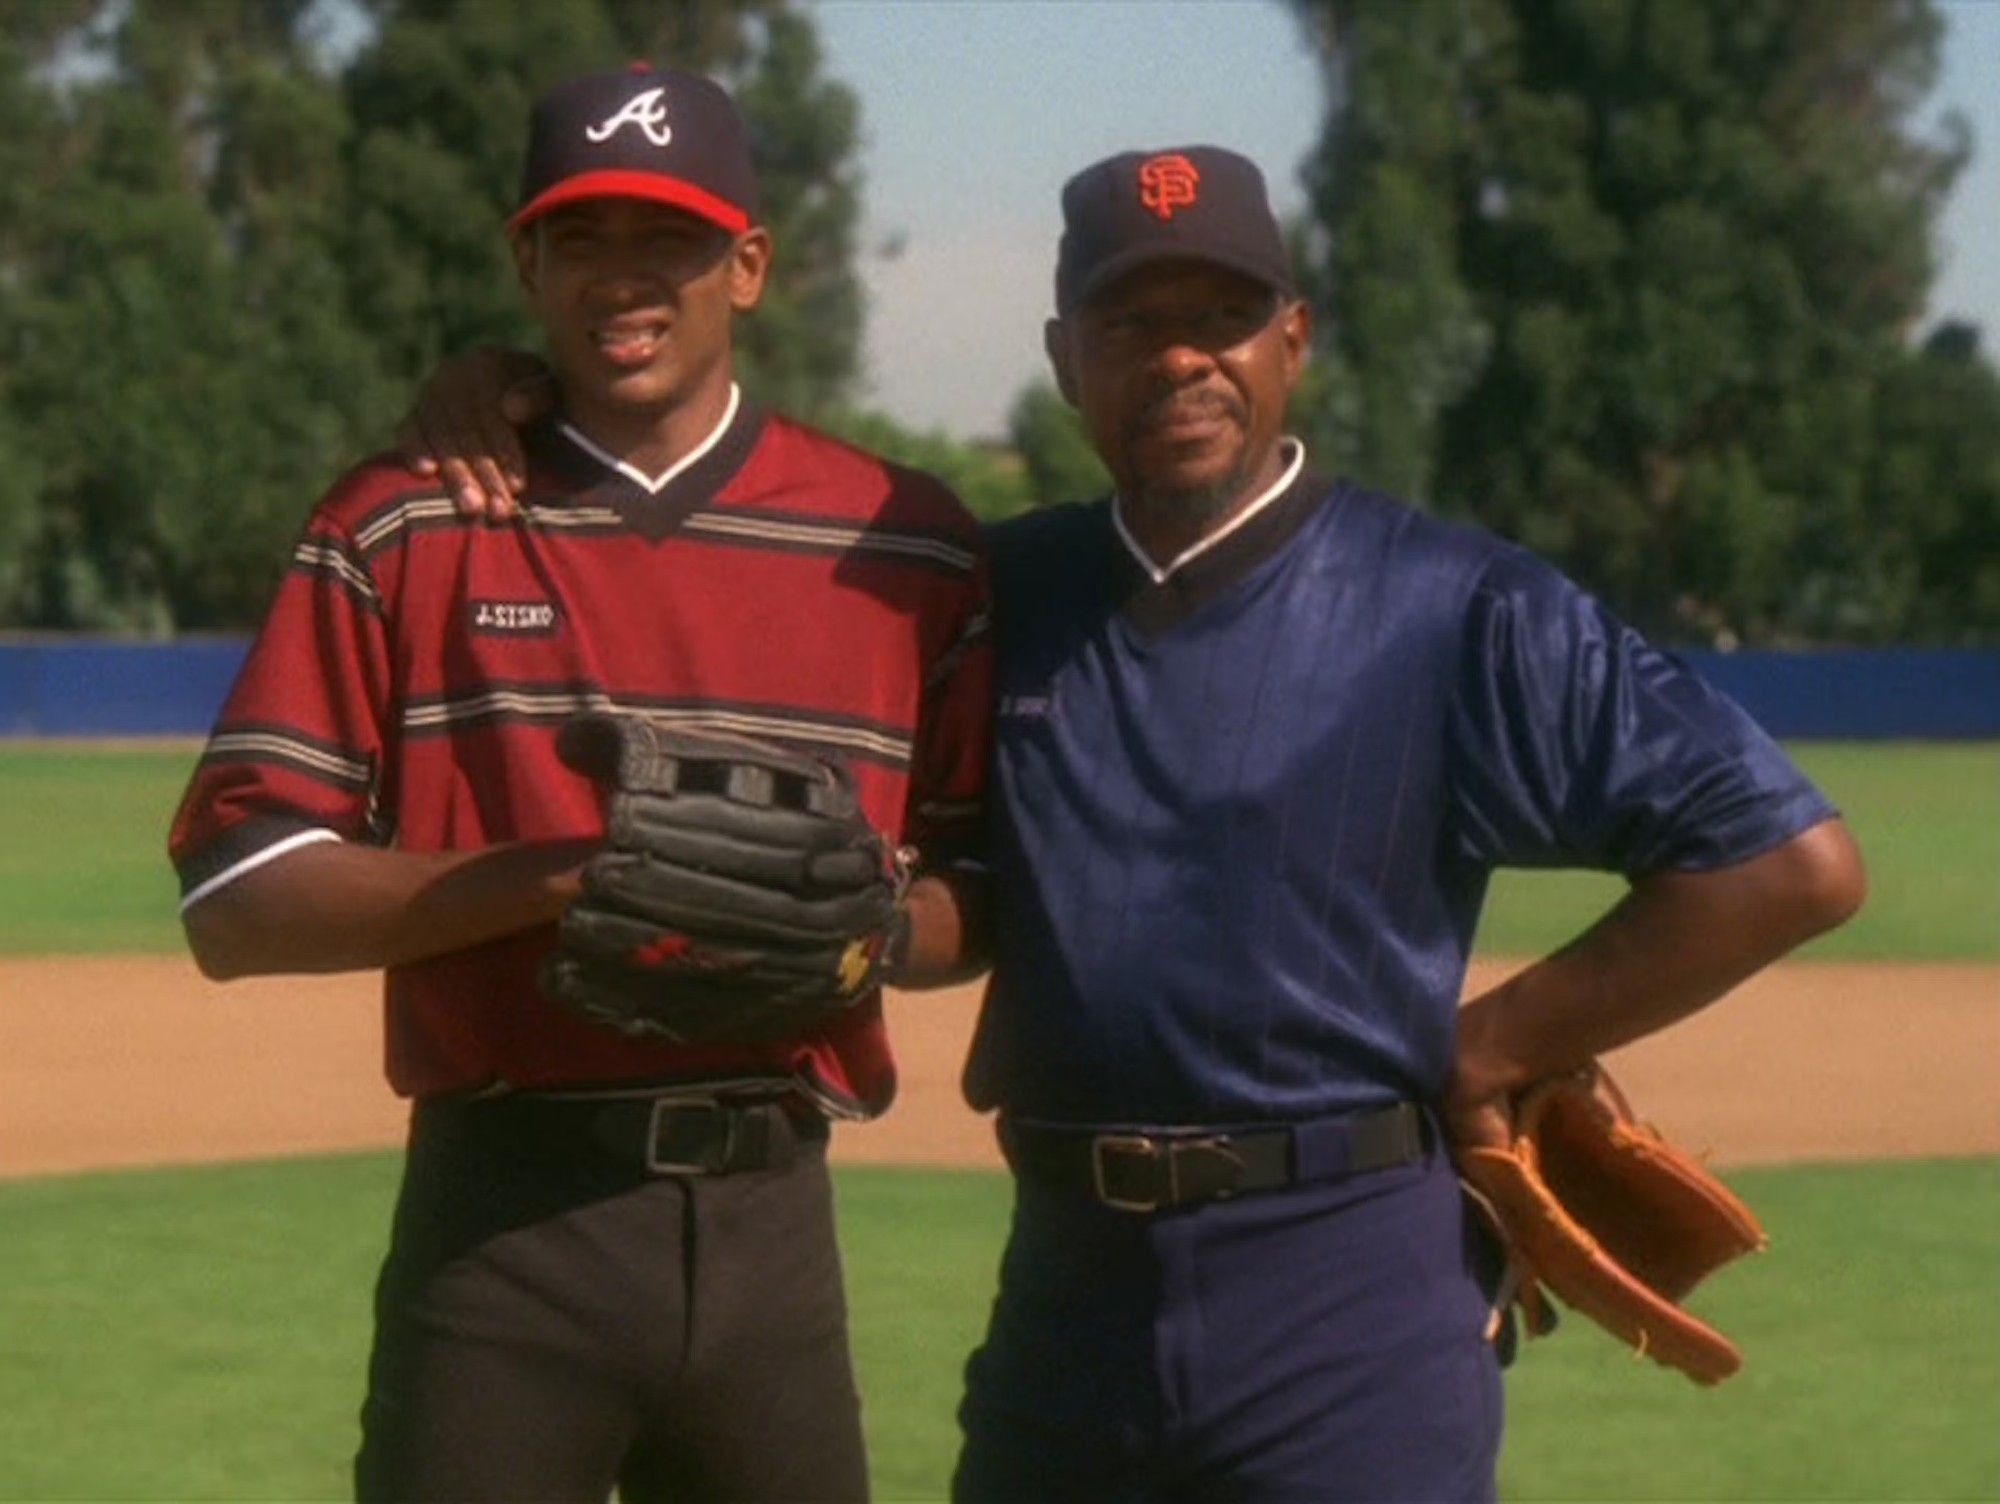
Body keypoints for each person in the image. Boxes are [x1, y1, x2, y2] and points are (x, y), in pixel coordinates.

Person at [404, 145, 1865, 1502]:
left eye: (1222, 316)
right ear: (1064, 363)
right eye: (1128, 321)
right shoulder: (997, 589)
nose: (1180, 357)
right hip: (1071, 1299)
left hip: (1350, 1288)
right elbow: (738, 539)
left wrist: (1496, 1044)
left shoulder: (1456, 605)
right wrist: (497, 394)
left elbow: (1788, 865)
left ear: (1294, 338)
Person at [168, 64, 990, 1504]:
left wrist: (858, 923)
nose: (625, 282)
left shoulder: (905, 546)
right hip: (507, 1229)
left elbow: (983, 896)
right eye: (582, 240)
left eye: (666, 242)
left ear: (746, 265)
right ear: (524, 262)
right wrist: (560, 878)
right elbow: (236, 900)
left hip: (773, 1230)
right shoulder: (409, 519)